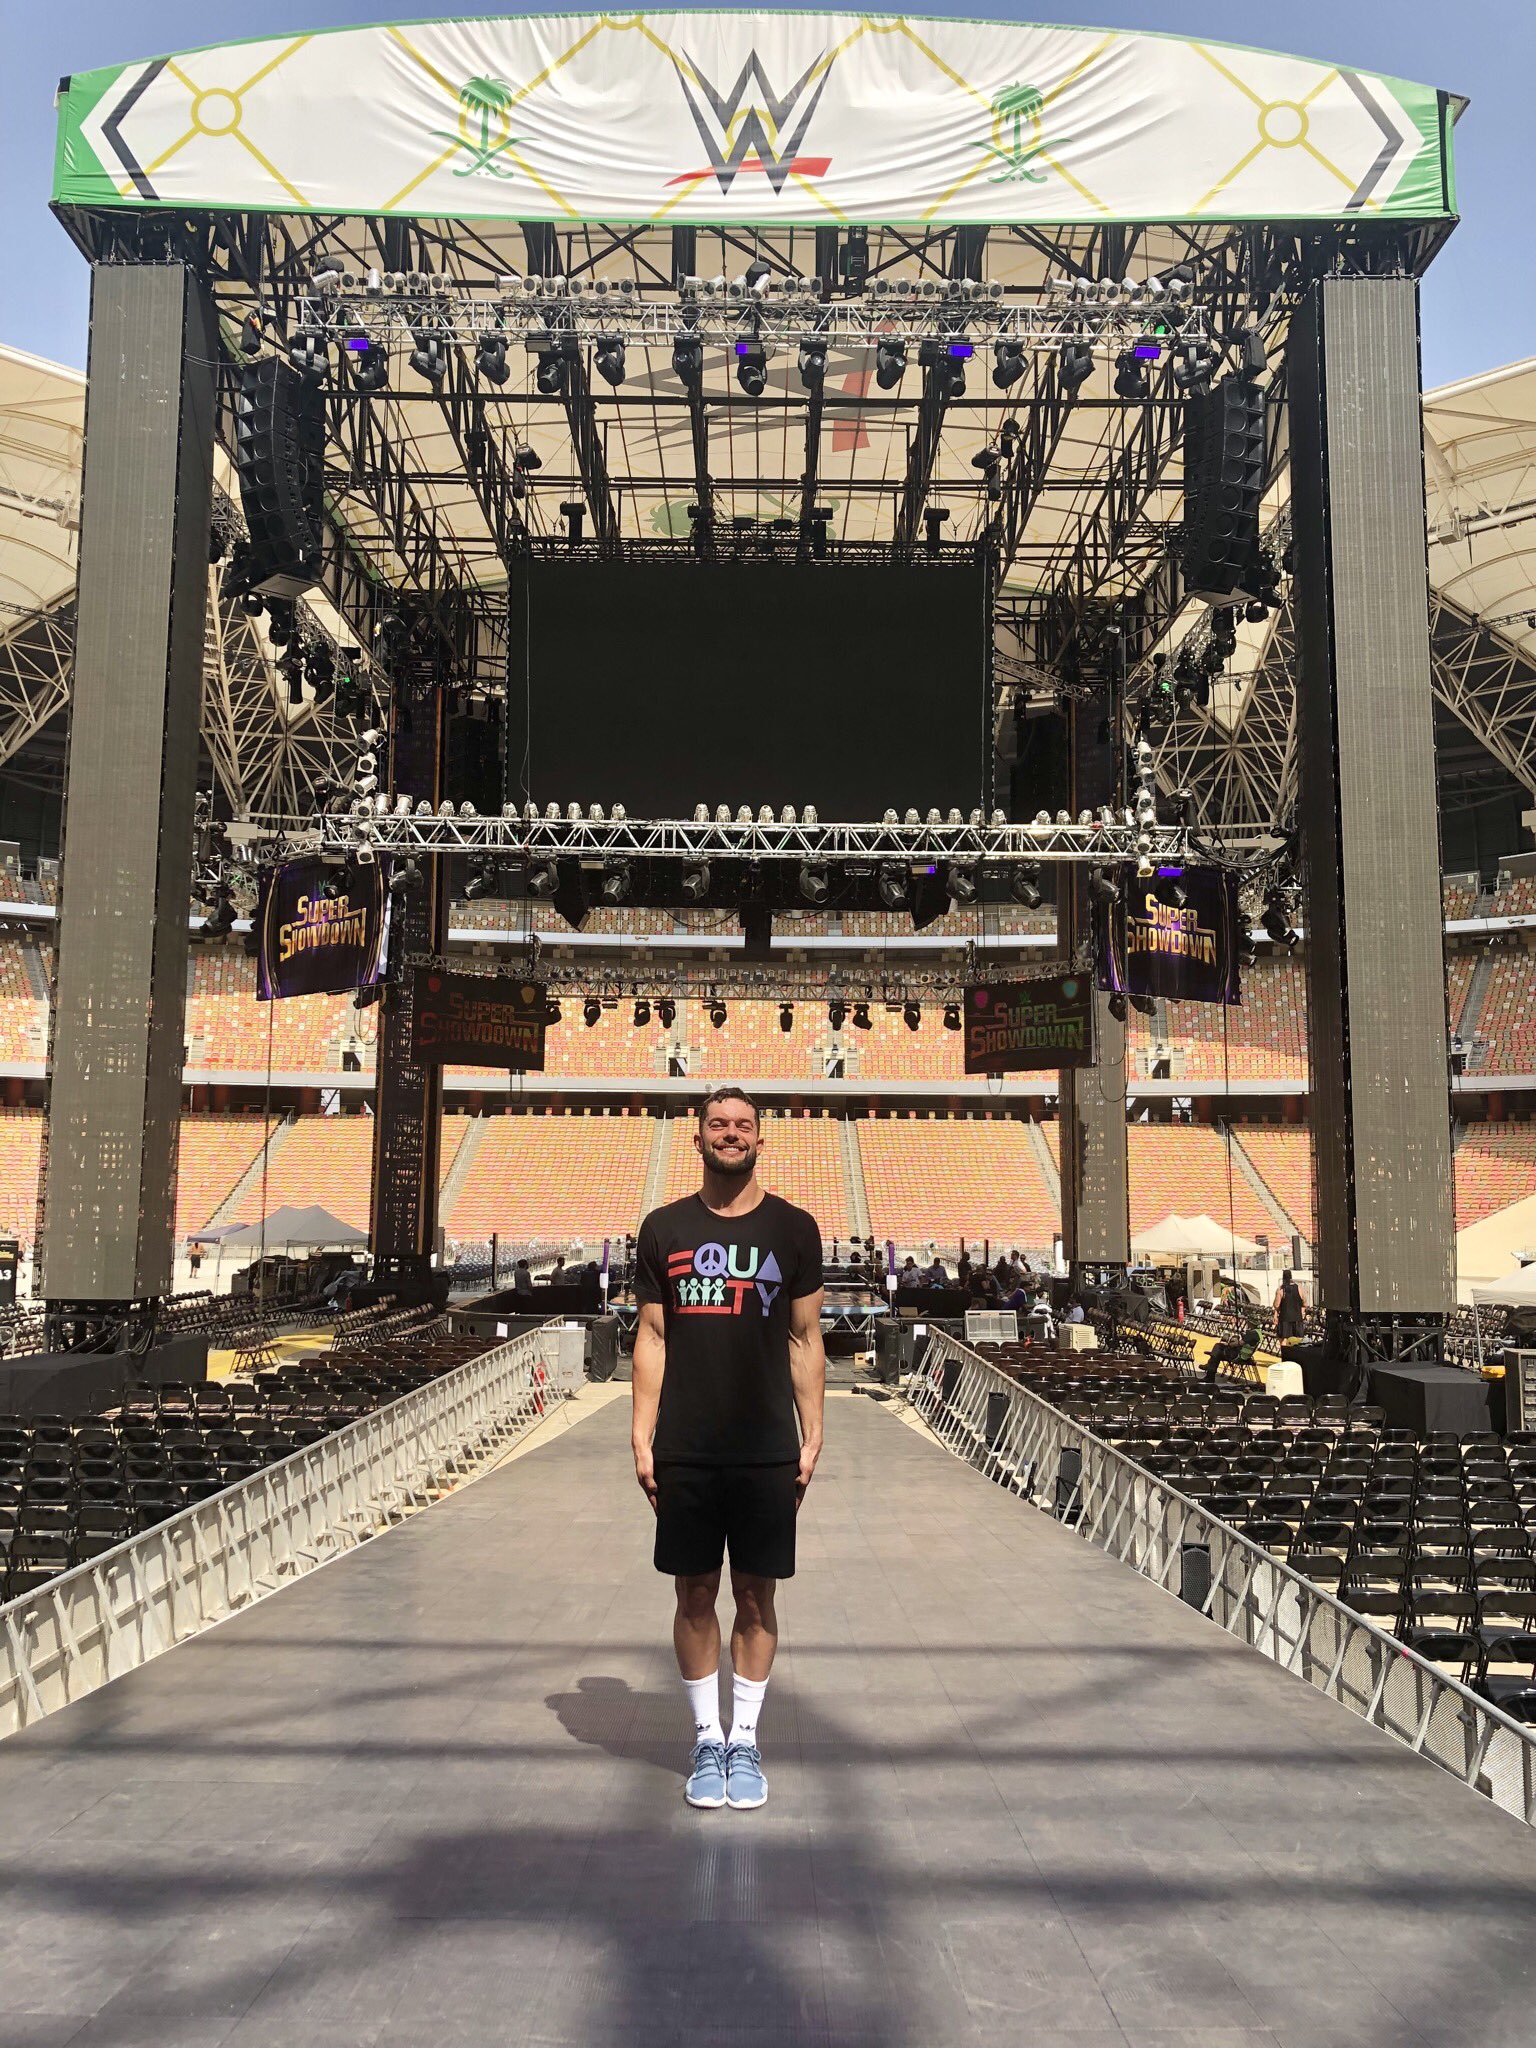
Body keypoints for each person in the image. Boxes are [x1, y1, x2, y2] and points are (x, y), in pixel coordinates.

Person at [632, 1086, 825, 1814]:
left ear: (759, 1140)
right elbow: (653, 1337)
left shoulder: (794, 1229)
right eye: (718, 1124)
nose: (731, 1134)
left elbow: (805, 1338)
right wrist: (641, 1432)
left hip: (765, 1445)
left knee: (755, 1595)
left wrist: (813, 1430)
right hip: (686, 1443)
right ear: (699, 1138)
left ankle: (745, 1739)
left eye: (743, 1125)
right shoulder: (663, 1228)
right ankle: (706, 1739)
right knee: (692, 1595)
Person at [1274, 1269, 1306, 1343]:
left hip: (1284, 1319)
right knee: (1298, 1340)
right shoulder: (1299, 1288)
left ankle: (1285, 1351)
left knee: (1284, 1340)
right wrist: (1301, 1313)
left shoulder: (1281, 1290)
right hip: (1297, 1319)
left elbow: (1276, 1305)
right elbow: (1305, 1304)